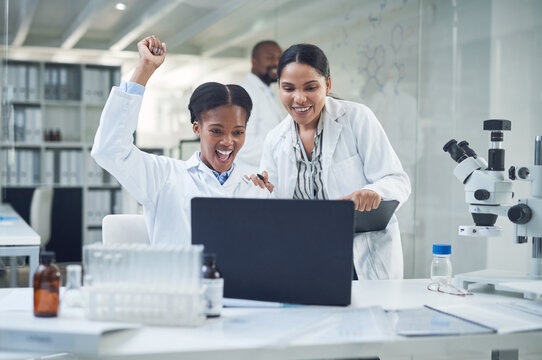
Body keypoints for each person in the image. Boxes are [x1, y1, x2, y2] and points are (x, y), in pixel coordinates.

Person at [91, 35, 271, 245]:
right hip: (176, 278)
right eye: (216, 131)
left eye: (238, 132)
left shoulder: (254, 190)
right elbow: (109, 150)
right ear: (197, 128)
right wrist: (145, 69)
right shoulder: (163, 177)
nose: (228, 142)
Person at [253, 44, 411, 280]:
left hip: (360, 260)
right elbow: (275, 207)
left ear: (327, 85)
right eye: (288, 88)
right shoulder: (275, 139)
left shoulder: (357, 118)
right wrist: (259, 191)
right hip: (303, 258)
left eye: (311, 87)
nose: (299, 98)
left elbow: (397, 180)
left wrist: (372, 192)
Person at [237, 40, 284, 175]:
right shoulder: (247, 92)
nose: (276, 63)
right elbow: (244, 143)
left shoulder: (266, 91)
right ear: (254, 62)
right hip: (252, 176)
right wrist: (282, 153)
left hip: (265, 176)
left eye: (279, 58)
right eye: (270, 58)